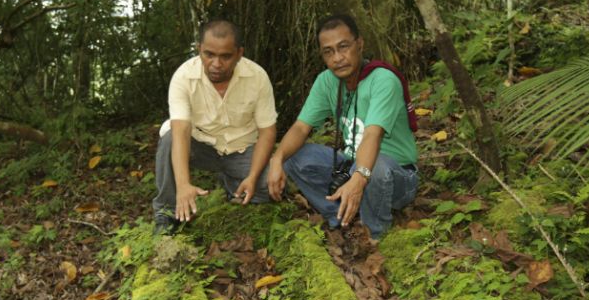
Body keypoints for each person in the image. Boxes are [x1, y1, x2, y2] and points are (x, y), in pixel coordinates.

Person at [267, 14, 419, 240]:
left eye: (344, 47)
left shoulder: (383, 80)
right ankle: (340, 216)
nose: (338, 58)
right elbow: (301, 128)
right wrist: (277, 158)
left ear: (360, 44)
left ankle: (376, 234)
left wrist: (359, 177)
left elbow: (372, 135)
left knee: (372, 167)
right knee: (294, 156)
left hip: (396, 176)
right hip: (352, 164)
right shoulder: (326, 81)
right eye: (329, 51)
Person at [152, 19, 278, 233]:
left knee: (270, 186)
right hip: (202, 147)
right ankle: (166, 214)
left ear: (239, 53)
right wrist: (183, 185)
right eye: (209, 54)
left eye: (225, 56)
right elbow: (181, 130)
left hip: (242, 150)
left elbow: (267, 131)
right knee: (170, 137)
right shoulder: (183, 77)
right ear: (199, 49)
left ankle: (232, 183)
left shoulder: (257, 77)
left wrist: (253, 177)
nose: (216, 64)